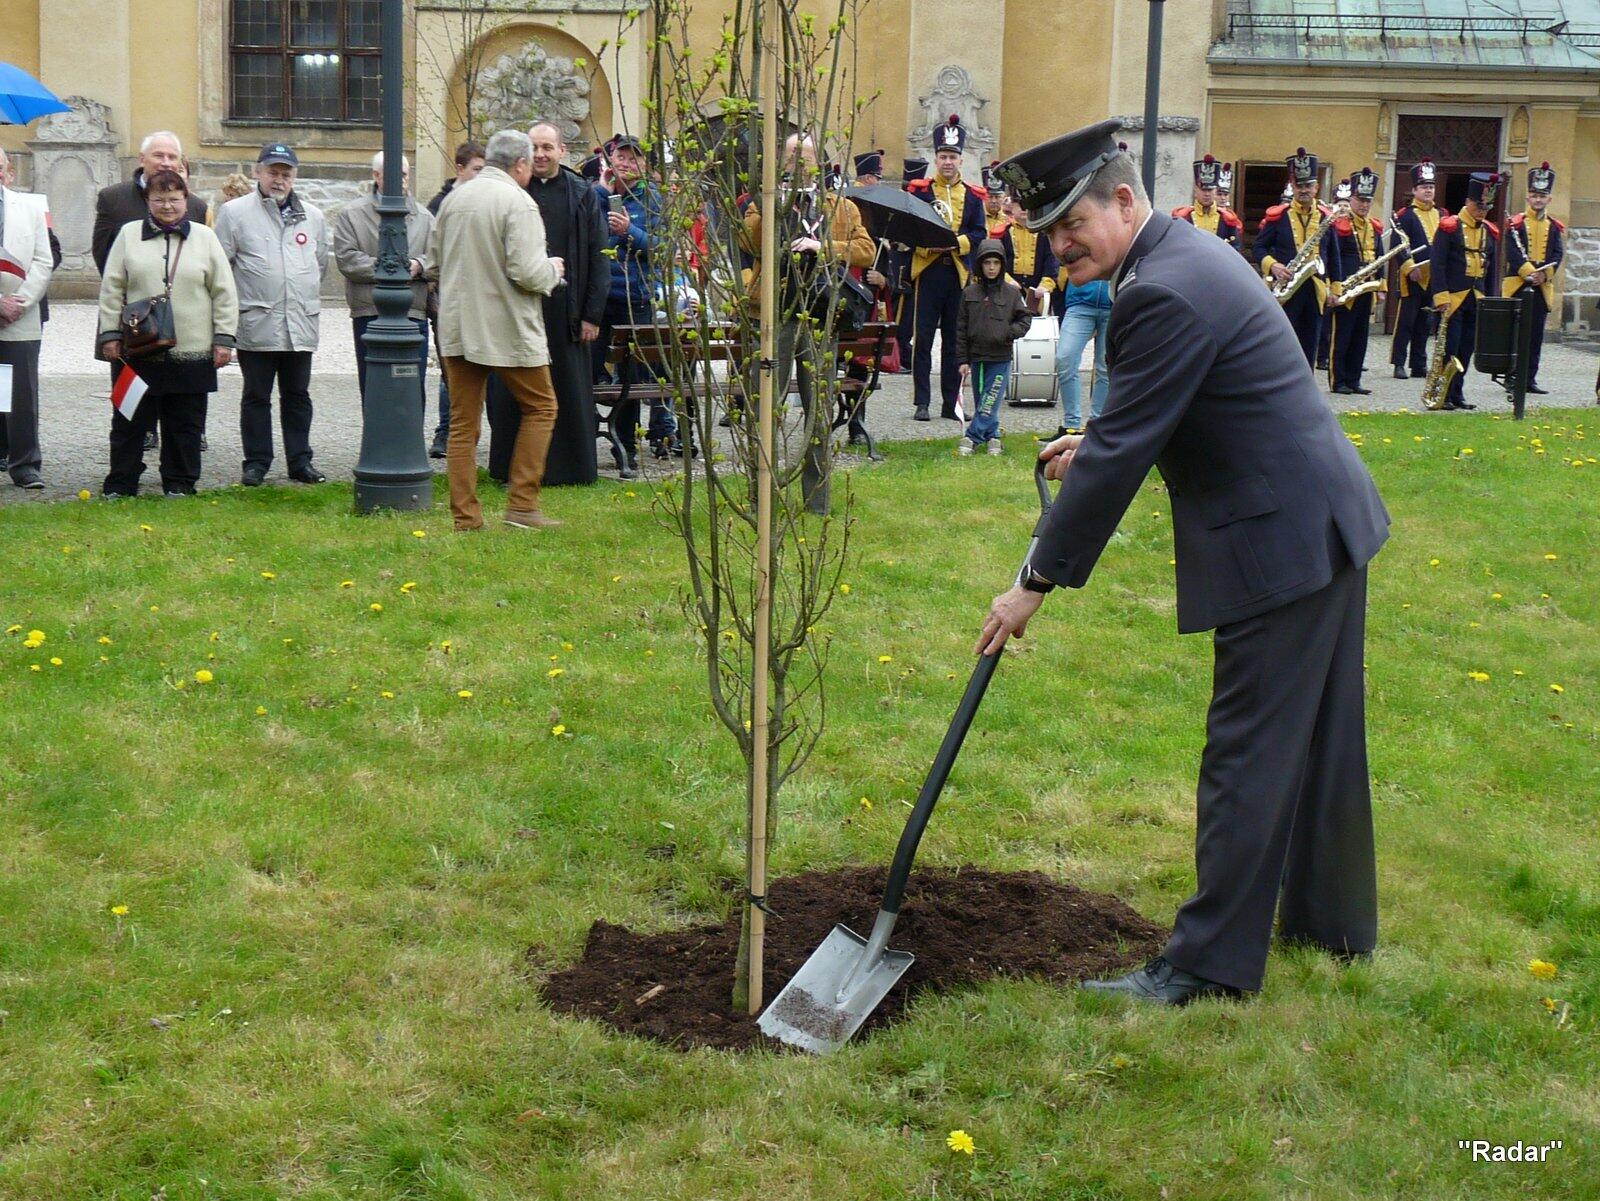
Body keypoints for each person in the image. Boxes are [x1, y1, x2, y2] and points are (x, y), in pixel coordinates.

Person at [984, 119, 1388, 1004]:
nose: (1060, 247)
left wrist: (1031, 584)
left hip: (1282, 538)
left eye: (1072, 224)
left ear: (1126, 202)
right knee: (1318, 739)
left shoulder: (1160, 290)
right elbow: (1172, 404)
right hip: (1322, 518)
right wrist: (1099, 438)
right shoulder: (1182, 260)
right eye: (1050, 232)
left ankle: (1206, 964)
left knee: (1246, 753)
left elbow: (1124, 456)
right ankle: (1331, 925)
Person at [427, 129, 565, 531]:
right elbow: (526, 271)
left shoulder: (454, 199)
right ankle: (522, 506)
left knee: (462, 424)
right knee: (541, 407)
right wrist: (552, 271)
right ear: (520, 164)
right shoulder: (518, 202)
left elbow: (432, 263)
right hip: (506, 325)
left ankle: (465, 517)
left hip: (457, 325)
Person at [739, 132, 874, 514]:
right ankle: (761, 500)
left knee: (819, 414)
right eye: (792, 154)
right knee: (765, 408)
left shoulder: (840, 206)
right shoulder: (765, 201)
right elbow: (748, 242)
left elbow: (866, 250)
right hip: (775, 314)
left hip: (820, 316)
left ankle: (817, 503)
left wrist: (824, 247)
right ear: (781, 160)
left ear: (818, 163)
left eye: (806, 155)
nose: (798, 162)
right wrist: (775, 205)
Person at [95, 169, 237, 497]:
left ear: (186, 199)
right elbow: (112, 288)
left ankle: (180, 483)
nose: (167, 206)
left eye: (174, 199)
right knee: (128, 417)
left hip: (192, 348)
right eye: (159, 199)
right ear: (148, 200)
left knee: (185, 422)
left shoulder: (205, 237)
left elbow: (224, 291)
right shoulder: (128, 234)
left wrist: (224, 338)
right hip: (137, 349)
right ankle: (121, 483)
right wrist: (110, 334)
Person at [486, 122, 608, 487]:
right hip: (519, 308)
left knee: (566, 390)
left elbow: (598, 255)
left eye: (547, 148)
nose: (540, 155)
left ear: (561, 151)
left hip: (566, 312)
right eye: (534, 148)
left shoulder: (582, 193)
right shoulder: (511, 191)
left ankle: (568, 470)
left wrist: (592, 314)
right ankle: (512, 467)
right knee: (515, 392)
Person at [215, 143, 329, 486]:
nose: (279, 180)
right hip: (257, 321)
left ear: (294, 177)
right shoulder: (234, 213)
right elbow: (221, 269)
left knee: (298, 396)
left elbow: (319, 265)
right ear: (257, 172)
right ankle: (256, 462)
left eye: (286, 174)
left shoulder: (313, 216)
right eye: (272, 172)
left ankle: (300, 461)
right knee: (256, 396)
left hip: (300, 322)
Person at [93, 132, 211, 454]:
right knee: (129, 402)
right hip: (134, 321)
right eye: (159, 155)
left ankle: (180, 454)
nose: (166, 162)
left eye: (173, 157)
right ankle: (131, 454)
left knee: (180, 401)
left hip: (182, 325)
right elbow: (104, 258)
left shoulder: (195, 205)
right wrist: (132, 305)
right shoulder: (113, 198)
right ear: (142, 159)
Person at [590, 134, 674, 469]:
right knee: (588, 374)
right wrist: (601, 194)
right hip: (596, 301)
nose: (626, 164)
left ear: (644, 165)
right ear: (609, 160)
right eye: (620, 157)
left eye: (633, 158)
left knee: (630, 379)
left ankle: (624, 446)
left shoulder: (653, 199)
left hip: (635, 300)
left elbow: (663, 248)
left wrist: (630, 232)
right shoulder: (593, 193)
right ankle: (584, 441)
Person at [332, 152, 433, 406]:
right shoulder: (352, 214)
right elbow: (347, 259)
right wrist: (390, 269)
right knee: (374, 388)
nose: (400, 180)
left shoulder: (425, 217)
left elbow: (437, 257)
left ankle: (411, 433)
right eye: (393, 174)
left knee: (412, 389)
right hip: (370, 311)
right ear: (376, 176)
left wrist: (419, 265)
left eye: (404, 175)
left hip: (413, 311)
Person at [906, 116, 987, 421]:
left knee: (954, 341)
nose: (948, 162)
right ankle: (922, 402)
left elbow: (979, 234)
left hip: (957, 273)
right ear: (936, 159)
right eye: (943, 157)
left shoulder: (973, 196)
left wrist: (955, 244)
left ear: (960, 160)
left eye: (952, 157)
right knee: (923, 339)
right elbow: (910, 230)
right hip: (928, 271)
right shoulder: (920, 192)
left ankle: (950, 403)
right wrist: (929, 245)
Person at [425, 141, 486, 457]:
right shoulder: (441, 205)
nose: (481, 176)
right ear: (460, 169)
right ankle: (446, 432)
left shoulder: (486, 201)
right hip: (449, 301)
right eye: (476, 169)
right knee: (453, 371)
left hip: (480, 300)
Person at [0, 149, 54, 489]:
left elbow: (43, 260)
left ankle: (25, 464)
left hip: (20, 315)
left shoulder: (30, 208)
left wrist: (20, 302)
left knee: (21, 394)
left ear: (8, 170)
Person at [1428, 172, 1502, 412]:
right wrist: (1441, 296)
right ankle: (1443, 393)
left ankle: (1457, 392)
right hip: (1453, 299)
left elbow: (1491, 271)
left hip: (1476, 299)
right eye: (1479, 206)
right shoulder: (1449, 227)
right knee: (1449, 348)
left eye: (1486, 207)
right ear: (1468, 201)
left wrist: (1490, 300)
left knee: (1466, 348)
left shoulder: (1489, 231)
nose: (1482, 211)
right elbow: (1437, 264)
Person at [1256, 147, 1330, 368]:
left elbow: (1333, 255)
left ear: (1316, 187)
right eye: (1299, 186)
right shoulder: (1278, 217)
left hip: (1315, 288)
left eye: (1308, 185)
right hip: (1287, 289)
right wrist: (1273, 265)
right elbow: (1259, 247)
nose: (1304, 190)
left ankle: (1307, 382)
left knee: (1310, 342)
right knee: (1286, 342)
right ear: (1292, 187)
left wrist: (1334, 288)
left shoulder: (1326, 218)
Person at [955, 238, 1031, 456]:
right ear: (980, 264)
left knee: (990, 399)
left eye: (996, 263)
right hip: (977, 356)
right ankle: (993, 437)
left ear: (1002, 265)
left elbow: (1025, 319)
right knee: (984, 402)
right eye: (987, 262)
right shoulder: (969, 293)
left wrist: (1008, 333)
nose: (991, 267)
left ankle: (972, 437)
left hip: (1000, 357)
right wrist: (963, 359)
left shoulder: (1012, 293)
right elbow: (961, 328)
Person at [1322, 169, 1390, 397]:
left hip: (1367, 288)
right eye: (1360, 200)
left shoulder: (1373, 226)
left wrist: (1381, 287)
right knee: (1342, 336)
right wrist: (1333, 285)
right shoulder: (1339, 226)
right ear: (1351, 199)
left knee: (1360, 338)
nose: (1364, 205)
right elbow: (1332, 257)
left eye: (1368, 201)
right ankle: (1338, 380)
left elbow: (1380, 257)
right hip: (1346, 289)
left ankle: (1354, 380)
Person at [1503, 162, 1564, 395]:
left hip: (1541, 286)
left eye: (1542, 196)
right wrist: (1530, 273)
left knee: (1535, 335)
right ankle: (1512, 377)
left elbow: (1557, 254)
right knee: (1515, 335)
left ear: (1549, 199)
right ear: (1528, 197)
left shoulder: (1554, 227)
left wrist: (1544, 275)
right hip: (1518, 285)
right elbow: (1512, 252)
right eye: (1534, 195)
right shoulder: (1515, 224)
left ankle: (1529, 378)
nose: (1538, 200)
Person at [1390, 159, 1446, 381]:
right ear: (1414, 190)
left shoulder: (1442, 214)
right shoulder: (1404, 215)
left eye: (1431, 187)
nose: (1428, 191)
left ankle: (1419, 364)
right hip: (1413, 276)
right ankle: (1398, 363)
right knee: (1406, 322)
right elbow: (1398, 244)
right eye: (1423, 187)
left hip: (1434, 277)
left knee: (1426, 322)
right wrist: (1409, 267)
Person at [1055, 275, 1111, 435]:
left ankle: (1096, 427)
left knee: (1106, 366)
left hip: (1115, 305)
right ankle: (1071, 426)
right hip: (1080, 302)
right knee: (1065, 358)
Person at [1172, 155, 1242, 248]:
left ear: (1215, 190)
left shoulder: (1227, 220)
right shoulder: (1183, 219)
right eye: (1203, 190)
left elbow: (1235, 248)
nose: (1207, 194)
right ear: (1196, 190)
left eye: (1210, 190)